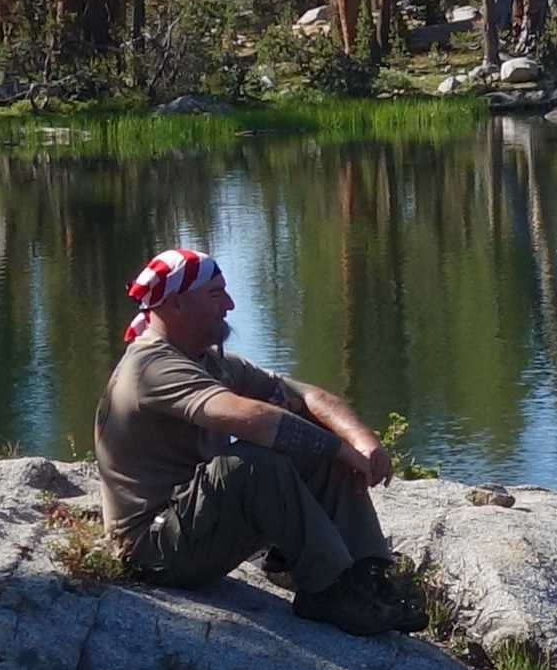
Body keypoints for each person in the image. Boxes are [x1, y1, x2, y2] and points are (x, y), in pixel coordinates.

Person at [90, 241, 421, 633]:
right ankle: (329, 589)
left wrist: (360, 442)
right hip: (153, 548)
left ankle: (368, 577)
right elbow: (251, 420)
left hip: (193, 528)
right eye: (216, 295)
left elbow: (306, 396)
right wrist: (338, 449)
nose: (230, 305)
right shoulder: (151, 366)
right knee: (253, 465)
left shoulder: (211, 363)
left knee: (316, 440)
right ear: (176, 304)